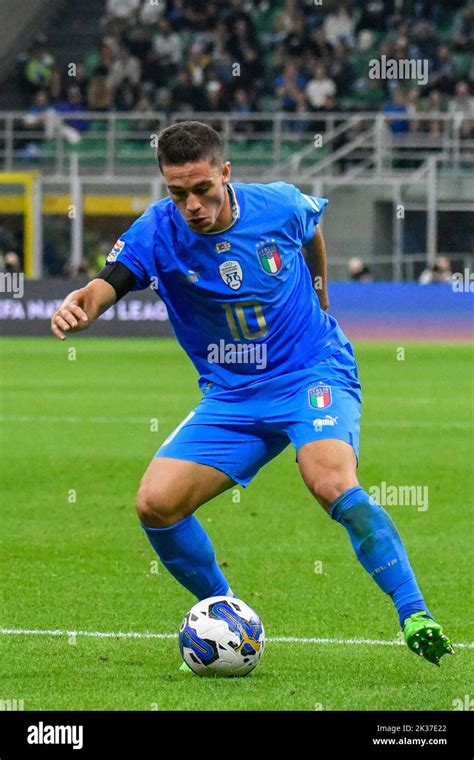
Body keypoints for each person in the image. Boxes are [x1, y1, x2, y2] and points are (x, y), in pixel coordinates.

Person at [51, 121, 454, 670]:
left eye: (201, 190)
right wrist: (83, 307)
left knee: (331, 481)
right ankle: (227, 614)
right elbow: (111, 280)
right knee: (156, 504)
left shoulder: (279, 205)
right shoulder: (157, 231)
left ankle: (415, 613)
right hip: (232, 397)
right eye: (177, 192)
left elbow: (311, 228)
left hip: (312, 372)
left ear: (225, 174)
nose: (191, 204)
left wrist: (320, 294)